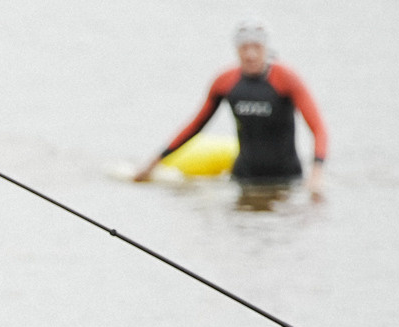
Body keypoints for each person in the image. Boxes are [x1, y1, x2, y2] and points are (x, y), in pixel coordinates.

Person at [138, 23, 329, 206]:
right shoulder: (225, 81)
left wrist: (316, 173)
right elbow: (195, 126)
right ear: (237, 49)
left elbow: (319, 129)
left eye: (256, 47)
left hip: (285, 180)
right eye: (244, 48)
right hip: (243, 179)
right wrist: (155, 162)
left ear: (265, 48)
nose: (251, 54)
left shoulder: (285, 78)